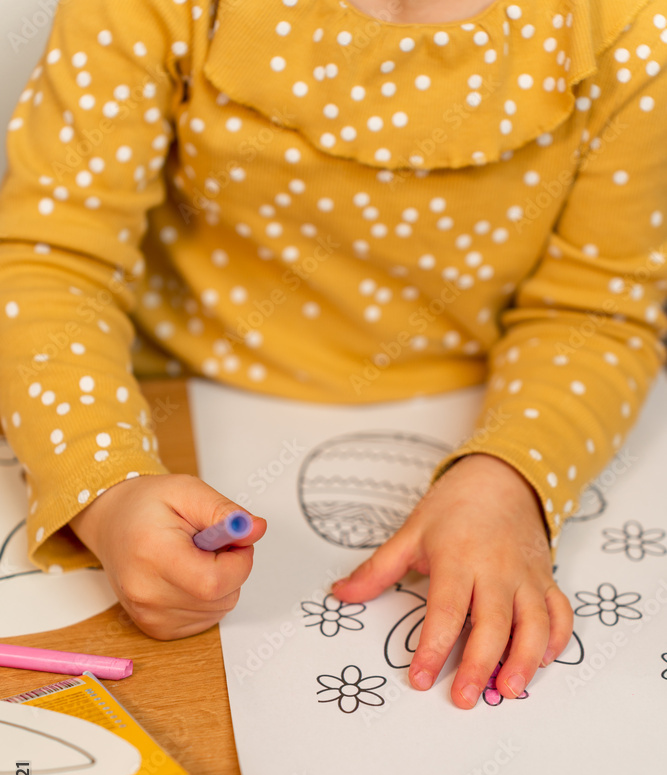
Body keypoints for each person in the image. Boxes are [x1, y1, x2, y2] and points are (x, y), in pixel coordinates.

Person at [0, 0, 665, 708]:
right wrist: (106, 489)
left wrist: (511, 477)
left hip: (485, 406)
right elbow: (52, 260)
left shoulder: (632, 25)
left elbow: (597, 308)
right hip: (166, 397)